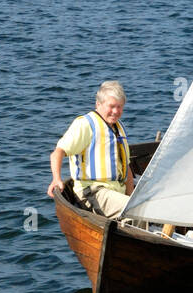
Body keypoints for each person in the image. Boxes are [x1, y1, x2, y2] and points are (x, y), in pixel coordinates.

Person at [47, 81, 135, 219]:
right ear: (98, 104)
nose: (116, 111)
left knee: (146, 206)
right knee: (139, 211)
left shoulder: (118, 127)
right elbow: (58, 152)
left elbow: (126, 168)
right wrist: (56, 179)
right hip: (92, 192)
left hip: (116, 190)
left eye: (120, 107)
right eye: (111, 106)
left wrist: (131, 197)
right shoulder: (85, 124)